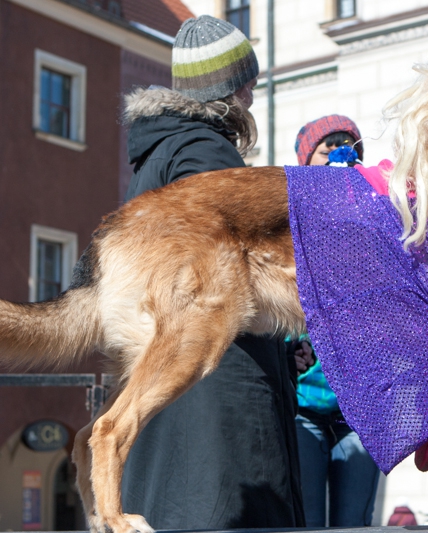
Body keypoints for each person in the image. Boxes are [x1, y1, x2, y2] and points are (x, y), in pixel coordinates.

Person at [119, 16, 304, 529]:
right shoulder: (206, 152)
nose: (251, 92)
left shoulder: (156, 155)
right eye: (246, 81)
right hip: (219, 394)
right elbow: (217, 278)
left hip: (170, 378)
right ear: (229, 88)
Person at [290, 115, 380, 527]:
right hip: (302, 410)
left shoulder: (373, 218)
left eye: (351, 147)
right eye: (329, 147)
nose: (342, 153)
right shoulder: (290, 223)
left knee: (353, 523)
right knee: (304, 521)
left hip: (359, 411)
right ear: (305, 162)